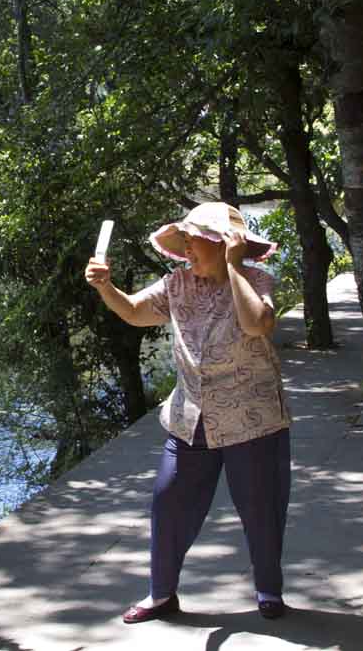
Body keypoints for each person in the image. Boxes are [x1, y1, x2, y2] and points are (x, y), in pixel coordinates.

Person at [85, 202, 291, 622]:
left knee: (261, 507)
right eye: (184, 242)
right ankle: (161, 595)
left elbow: (257, 325)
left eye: (193, 241)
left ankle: (269, 590)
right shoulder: (175, 284)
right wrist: (106, 287)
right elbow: (134, 312)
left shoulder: (257, 279)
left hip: (252, 418)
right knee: (169, 503)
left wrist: (234, 269)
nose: (187, 250)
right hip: (189, 418)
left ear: (223, 244)